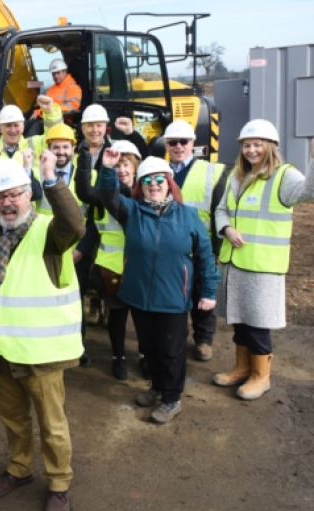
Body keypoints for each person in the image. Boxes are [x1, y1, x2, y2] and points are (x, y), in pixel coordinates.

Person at [0, 155, 84, 511]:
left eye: (15, 194)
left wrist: (51, 179)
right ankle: (19, 468)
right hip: (0, 348)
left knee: (52, 424)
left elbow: (75, 223)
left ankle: (59, 483)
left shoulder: (49, 232)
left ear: (29, 194)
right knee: (13, 419)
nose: (7, 203)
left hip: (41, 352)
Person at [98, 153, 219, 423]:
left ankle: (172, 398)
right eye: (147, 180)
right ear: (140, 186)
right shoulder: (132, 211)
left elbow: (205, 256)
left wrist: (209, 292)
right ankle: (156, 387)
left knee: (171, 351)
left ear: (169, 183)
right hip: (139, 296)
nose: (153, 184)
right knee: (149, 347)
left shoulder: (188, 216)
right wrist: (107, 168)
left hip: (173, 297)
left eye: (159, 179)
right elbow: (108, 195)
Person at [213, 122, 314, 400]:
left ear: (270, 147)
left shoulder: (283, 176)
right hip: (234, 264)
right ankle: (242, 368)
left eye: (258, 144)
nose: (252, 150)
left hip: (262, 268)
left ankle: (261, 376)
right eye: (247, 145)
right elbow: (221, 209)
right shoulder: (237, 176)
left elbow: (309, 192)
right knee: (239, 321)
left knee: (257, 324)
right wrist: (227, 229)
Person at [75, 140, 143, 379]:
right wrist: (81, 251)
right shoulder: (103, 196)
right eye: (117, 166)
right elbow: (91, 219)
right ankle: (118, 357)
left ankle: (144, 355)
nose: (121, 170)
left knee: (142, 316)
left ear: (136, 168)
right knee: (117, 316)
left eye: (126, 165)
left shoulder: (146, 193)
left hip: (139, 266)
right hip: (110, 267)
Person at [162, 120, 227, 362]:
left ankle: (204, 340)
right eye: (173, 142)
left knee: (202, 293)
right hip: (170, 246)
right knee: (176, 294)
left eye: (184, 141)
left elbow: (220, 210)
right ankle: (178, 336)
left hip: (201, 245)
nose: (178, 146)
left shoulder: (212, 172)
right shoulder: (160, 171)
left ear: (193, 143)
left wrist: (217, 248)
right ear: (166, 145)